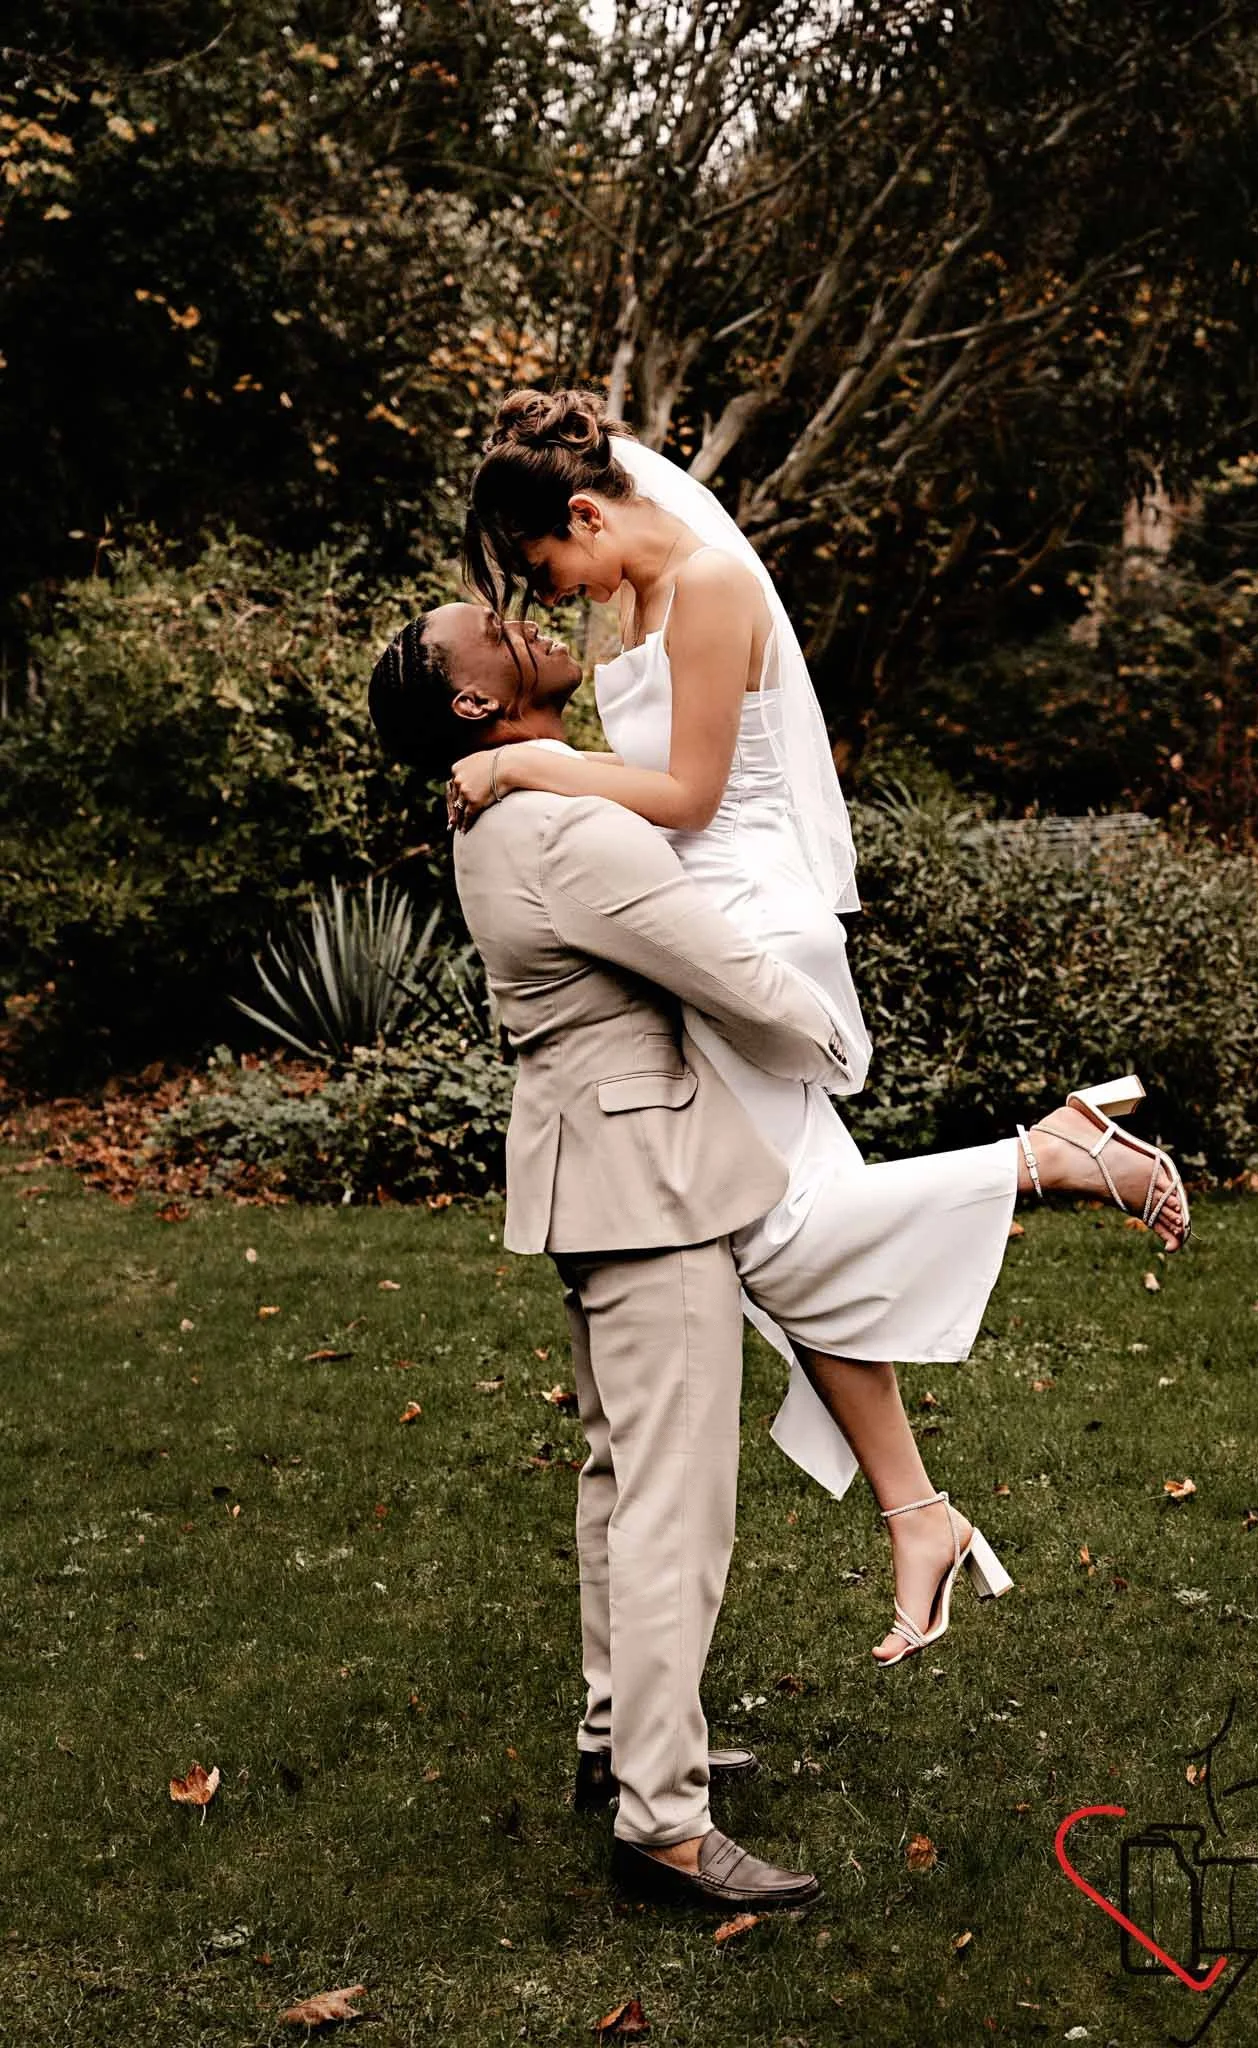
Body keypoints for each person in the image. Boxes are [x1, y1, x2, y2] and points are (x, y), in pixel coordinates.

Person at [447, 390, 1190, 1664]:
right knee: (791, 1240)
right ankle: (919, 1513)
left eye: (549, 564)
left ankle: (1053, 1153)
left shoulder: (716, 581)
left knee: (769, 1242)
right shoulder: (635, 590)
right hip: (691, 917)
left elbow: (683, 792)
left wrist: (527, 764)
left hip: (741, 926)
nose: (556, 594)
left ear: (584, 512)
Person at [370, 601, 853, 1910]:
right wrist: (836, 1037)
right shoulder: (564, 825)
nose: (518, 623)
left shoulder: (505, 809)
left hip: (598, 1172)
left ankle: (617, 1741)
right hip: (648, 1188)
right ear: (475, 705)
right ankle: (665, 1821)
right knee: (671, 1511)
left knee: (614, 1482)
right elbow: (729, 974)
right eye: (488, 630)